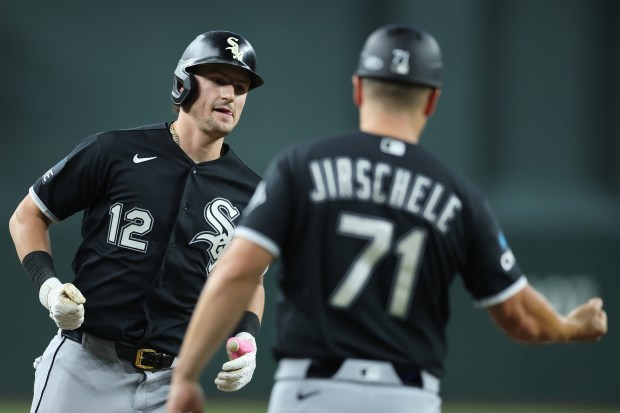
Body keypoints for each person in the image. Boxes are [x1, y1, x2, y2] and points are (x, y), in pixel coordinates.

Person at [166, 23, 608, 413]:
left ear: (358, 88)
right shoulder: (458, 196)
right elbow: (520, 317)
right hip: (408, 396)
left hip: (310, 390)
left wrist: (187, 375)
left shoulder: (301, 166)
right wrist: (569, 327)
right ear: (432, 100)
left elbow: (236, 273)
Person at [9, 30, 267, 413]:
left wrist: (247, 337)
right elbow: (27, 216)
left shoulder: (250, 190)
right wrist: (48, 287)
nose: (230, 94)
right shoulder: (113, 151)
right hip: (86, 364)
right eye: (218, 79)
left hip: (173, 379)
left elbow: (251, 279)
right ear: (184, 82)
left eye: (241, 86)